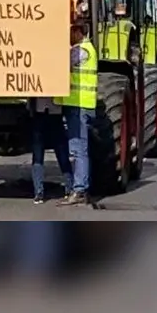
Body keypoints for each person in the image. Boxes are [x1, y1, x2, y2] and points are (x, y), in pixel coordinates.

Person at [54, 21, 97, 206]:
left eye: (70, 32)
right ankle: (81, 188)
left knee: (79, 149)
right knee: (79, 149)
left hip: (79, 105)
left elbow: (60, 64)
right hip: (78, 105)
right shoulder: (85, 49)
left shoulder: (82, 51)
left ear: (78, 32)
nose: (68, 36)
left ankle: (80, 189)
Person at [29, 97, 74, 204]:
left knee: (38, 156)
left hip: (42, 113)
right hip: (54, 112)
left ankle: (39, 193)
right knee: (61, 154)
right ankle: (69, 188)